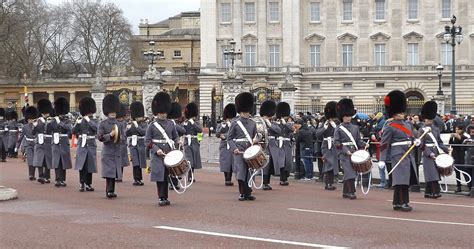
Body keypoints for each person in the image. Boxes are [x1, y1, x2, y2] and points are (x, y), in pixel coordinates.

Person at [379, 90, 419, 212]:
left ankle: (397, 202)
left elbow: (411, 137)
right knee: (401, 180)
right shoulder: (390, 127)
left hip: (408, 155)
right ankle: (403, 203)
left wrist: (416, 142)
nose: (402, 114)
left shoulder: (407, 125)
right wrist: (382, 159)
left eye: (402, 112)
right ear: (394, 113)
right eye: (399, 112)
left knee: (405, 180)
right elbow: (384, 144)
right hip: (398, 155)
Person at [145, 92, 178, 206]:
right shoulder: (152, 125)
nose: (163, 114)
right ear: (157, 112)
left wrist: (177, 144)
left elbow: (175, 136)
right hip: (158, 154)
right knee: (160, 176)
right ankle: (160, 197)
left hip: (168, 153)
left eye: (164, 112)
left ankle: (166, 197)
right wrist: (155, 149)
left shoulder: (171, 124)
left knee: (166, 176)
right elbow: (148, 141)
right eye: (161, 112)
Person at [227, 92, 257, 201]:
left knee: (249, 171)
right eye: (245, 111)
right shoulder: (235, 122)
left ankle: (248, 193)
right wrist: (234, 148)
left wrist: (256, 141)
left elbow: (254, 137)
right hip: (239, 150)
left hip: (249, 150)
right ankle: (242, 193)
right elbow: (229, 138)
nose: (247, 113)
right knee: (241, 171)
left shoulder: (252, 123)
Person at [334, 98, 366, 200]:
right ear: (342, 117)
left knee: (353, 172)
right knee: (349, 172)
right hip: (345, 153)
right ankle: (351, 192)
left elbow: (358, 141)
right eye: (346, 116)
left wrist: (365, 144)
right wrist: (345, 151)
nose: (348, 118)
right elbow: (337, 142)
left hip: (354, 152)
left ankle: (345, 192)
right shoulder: (338, 128)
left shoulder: (355, 128)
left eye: (349, 116)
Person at [419, 101, 449, 199]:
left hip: (436, 152)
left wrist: (446, 149)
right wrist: (429, 153)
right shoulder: (421, 130)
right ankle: (435, 192)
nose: (429, 121)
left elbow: (439, 142)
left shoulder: (435, 129)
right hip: (428, 154)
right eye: (428, 119)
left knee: (434, 172)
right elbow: (421, 144)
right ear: (424, 119)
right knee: (432, 173)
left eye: (431, 119)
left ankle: (428, 192)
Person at [98, 94, 122, 198]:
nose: (113, 113)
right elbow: (100, 137)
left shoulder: (120, 124)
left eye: (114, 111)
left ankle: (111, 190)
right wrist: (110, 135)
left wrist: (118, 136)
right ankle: (109, 190)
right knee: (109, 172)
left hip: (116, 149)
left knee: (114, 172)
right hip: (107, 150)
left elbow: (124, 137)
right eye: (111, 111)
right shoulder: (103, 124)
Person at [73, 97, 98, 192]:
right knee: (82, 165)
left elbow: (97, 129)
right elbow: (73, 132)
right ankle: (82, 183)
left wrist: (89, 120)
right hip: (82, 144)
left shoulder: (94, 120)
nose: (89, 114)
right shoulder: (80, 120)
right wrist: (77, 123)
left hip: (91, 144)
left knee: (89, 165)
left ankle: (88, 184)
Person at [49, 97, 73, 187]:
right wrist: (51, 121)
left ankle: (63, 180)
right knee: (57, 161)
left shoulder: (67, 120)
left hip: (64, 142)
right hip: (55, 142)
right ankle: (58, 180)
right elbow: (48, 129)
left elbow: (69, 128)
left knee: (63, 162)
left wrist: (60, 122)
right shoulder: (53, 120)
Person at [316, 101, 339, 190]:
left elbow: (341, 132)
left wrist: (334, 126)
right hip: (326, 145)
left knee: (333, 164)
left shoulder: (338, 122)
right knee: (329, 162)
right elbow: (317, 134)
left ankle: (329, 182)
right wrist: (324, 127)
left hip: (334, 145)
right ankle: (328, 183)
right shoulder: (323, 122)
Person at [260, 100, 281, 190]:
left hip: (272, 145)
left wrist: (269, 124)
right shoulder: (259, 122)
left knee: (270, 164)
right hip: (263, 145)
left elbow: (278, 131)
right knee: (265, 165)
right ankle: (264, 183)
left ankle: (267, 182)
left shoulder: (273, 123)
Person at [126, 102, 147, 186]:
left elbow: (143, 132)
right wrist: (130, 127)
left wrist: (137, 127)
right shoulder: (131, 124)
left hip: (141, 143)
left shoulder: (145, 124)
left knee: (140, 162)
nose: (139, 118)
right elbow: (126, 133)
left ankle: (139, 178)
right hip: (133, 144)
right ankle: (136, 179)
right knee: (135, 162)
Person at [33, 99, 53, 184]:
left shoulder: (52, 120)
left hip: (48, 142)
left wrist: (49, 123)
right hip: (40, 142)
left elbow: (54, 130)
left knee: (47, 160)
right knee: (39, 159)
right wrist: (34, 126)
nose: (46, 114)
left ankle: (47, 176)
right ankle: (41, 176)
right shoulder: (37, 120)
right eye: (44, 113)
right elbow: (33, 132)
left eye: (47, 113)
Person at [216, 103, 237, 186]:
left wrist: (226, 135)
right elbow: (217, 133)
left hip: (232, 144)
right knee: (226, 162)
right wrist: (223, 127)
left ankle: (230, 178)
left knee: (232, 162)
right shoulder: (221, 124)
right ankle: (227, 179)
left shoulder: (235, 123)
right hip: (224, 145)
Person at [183, 103, 202, 182]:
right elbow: (182, 131)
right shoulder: (185, 123)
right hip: (187, 142)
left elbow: (199, 130)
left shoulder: (196, 123)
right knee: (189, 159)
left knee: (194, 160)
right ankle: (189, 176)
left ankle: (191, 174)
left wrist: (193, 123)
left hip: (195, 142)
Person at [167, 102, 185, 190]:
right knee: (170, 165)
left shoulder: (175, 124)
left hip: (177, 146)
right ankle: (171, 183)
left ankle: (175, 182)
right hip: (169, 146)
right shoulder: (167, 123)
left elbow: (183, 130)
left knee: (176, 165)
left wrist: (174, 124)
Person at [276, 102, 294, 186]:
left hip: (287, 144)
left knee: (288, 162)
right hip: (279, 144)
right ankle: (282, 179)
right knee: (281, 162)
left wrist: (285, 123)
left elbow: (292, 130)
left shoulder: (289, 124)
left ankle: (286, 177)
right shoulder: (276, 123)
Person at [449, 124, 471, 193]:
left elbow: (463, 145)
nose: (457, 131)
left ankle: (470, 186)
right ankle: (458, 186)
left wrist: (459, 137)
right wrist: (450, 137)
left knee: (464, 172)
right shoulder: (455, 137)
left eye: (458, 129)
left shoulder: (464, 137)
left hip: (461, 155)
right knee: (457, 172)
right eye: (456, 129)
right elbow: (451, 144)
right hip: (455, 155)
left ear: (462, 130)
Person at [18, 106, 38, 180]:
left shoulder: (37, 126)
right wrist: (17, 147)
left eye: (32, 119)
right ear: (27, 119)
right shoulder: (25, 127)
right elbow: (21, 137)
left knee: (35, 160)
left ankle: (33, 174)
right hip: (28, 144)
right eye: (29, 119)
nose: (31, 120)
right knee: (30, 159)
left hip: (36, 144)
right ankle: (31, 175)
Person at [115, 104, 129, 182]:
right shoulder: (116, 122)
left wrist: (121, 138)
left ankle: (119, 176)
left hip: (122, 144)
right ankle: (117, 175)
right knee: (116, 161)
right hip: (116, 143)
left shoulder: (123, 123)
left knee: (121, 162)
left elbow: (124, 133)